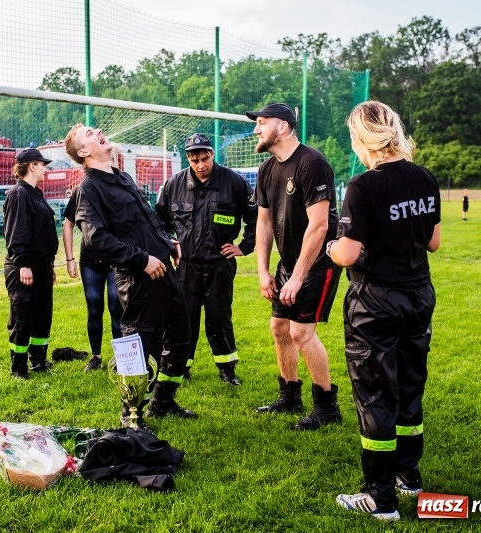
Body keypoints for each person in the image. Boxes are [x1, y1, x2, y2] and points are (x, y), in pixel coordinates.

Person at [328, 101, 440, 521]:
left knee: (375, 394)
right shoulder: (424, 177)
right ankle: (408, 476)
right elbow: (433, 242)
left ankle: (380, 497)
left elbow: (347, 253)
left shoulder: (363, 186)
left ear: (362, 138)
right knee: (409, 389)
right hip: (418, 296)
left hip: (375, 301)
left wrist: (331, 246)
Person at [64, 123, 195, 429]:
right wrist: (142, 260)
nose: (97, 130)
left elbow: (145, 221)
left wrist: (168, 242)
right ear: (83, 152)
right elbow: (96, 239)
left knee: (180, 340)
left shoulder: (123, 177)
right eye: (89, 133)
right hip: (138, 280)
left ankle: (162, 402)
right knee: (139, 351)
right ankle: (131, 416)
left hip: (165, 270)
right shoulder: (89, 190)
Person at [247, 102, 343, 431]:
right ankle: (290, 396)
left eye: (262, 122)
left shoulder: (312, 163)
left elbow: (319, 226)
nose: (256, 129)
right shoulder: (266, 170)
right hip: (288, 263)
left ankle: (327, 407)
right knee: (279, 328)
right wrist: (263, 271)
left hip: (319, 261)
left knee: (301, 332)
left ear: (284, 127)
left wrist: (298, 278)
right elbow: (263, 223)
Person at [155, 133, 257, 386]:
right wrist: (171, 243)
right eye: (194, 160)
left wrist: (244, 247)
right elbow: (159, 222)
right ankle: (180, 366)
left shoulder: (235, 183)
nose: (200, 165)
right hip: (186, 265)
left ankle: (227, 368)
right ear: (188, 159)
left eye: (205, 158)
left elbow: (256, 217)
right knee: (183, 319)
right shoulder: (173, 185)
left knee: (218, 317)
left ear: (212, 154)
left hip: (219, 264)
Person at [3, 148, 59, 378]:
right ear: (32, 166)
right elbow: (16, 232)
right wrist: (23, 264)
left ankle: (39, 360)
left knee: (42, 315)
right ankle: (19, 368)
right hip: (23, 266)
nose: (46, 169)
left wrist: (49, 266)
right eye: (43, 164)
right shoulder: (19, 194)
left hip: (42, 266)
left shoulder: (36, 194)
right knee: (22, 317)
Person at [62, 185, 123, 371]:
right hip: (90, 262)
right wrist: (70, 259)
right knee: (94, 309)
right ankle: (96, 357)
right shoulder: (81, 190)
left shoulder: (118, 187)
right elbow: (68, 224)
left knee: (117, 308)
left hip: (115, 259)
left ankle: (121, 358)